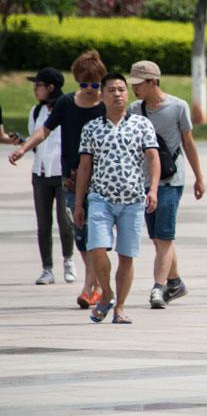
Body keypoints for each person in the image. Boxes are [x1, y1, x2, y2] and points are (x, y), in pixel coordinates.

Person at [9, 50, 107, 308]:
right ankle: (94, 283)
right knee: (81, 232)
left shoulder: (107, 104)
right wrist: (24, 148)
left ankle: (92, 286)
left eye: (95, 84)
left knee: (97, 232)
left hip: (103, 178)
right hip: (73, 179)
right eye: (84, 84)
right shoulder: (66, 103)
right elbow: (44, 130)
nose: (89, 89)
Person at [73, 73, 160, 324]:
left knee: (126, 255)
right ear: (102, 95)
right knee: (96, 248)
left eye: (122, 89)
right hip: (100, 197)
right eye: (111, 90)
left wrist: (152, 189)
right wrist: (79, 203)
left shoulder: (141, 125)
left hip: (132, 199)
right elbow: (85, 167)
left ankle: (119, 307)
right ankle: (107, 293)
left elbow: (153, 158)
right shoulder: (91, 128)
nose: (118, 94)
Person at [128, 61, 205, 309]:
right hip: (143, 180)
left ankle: (158, 288)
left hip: (171, 180)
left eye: (138, 84)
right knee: (158, 238)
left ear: (152, 82)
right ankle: (175, 282)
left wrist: (199, 177)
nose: (134, 89)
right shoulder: (134, 109)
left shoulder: (178, 107)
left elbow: (189, 144)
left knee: (164, 237)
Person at [25, 68, 76, 285]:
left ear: (50, 87)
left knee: (65, 221)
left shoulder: (67, 110)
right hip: (41, 173)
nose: (35, 89)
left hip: (62, 174)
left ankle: (68, 261)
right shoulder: (36, 112)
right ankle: (47, 268)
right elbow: (34, 139)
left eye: (38, 85)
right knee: (43, 223)